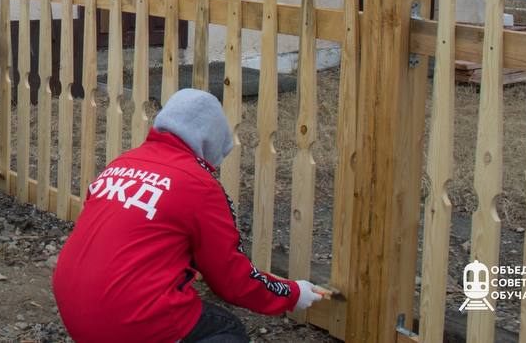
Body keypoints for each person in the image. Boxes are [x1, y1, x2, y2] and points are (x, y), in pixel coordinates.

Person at [52, 89, 324, 343]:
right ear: (211, 142)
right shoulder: (200, 184)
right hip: (126, 320)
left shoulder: (123, 162)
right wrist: (291, 293)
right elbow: (232, 279)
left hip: (74, 310)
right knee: (227, 331)